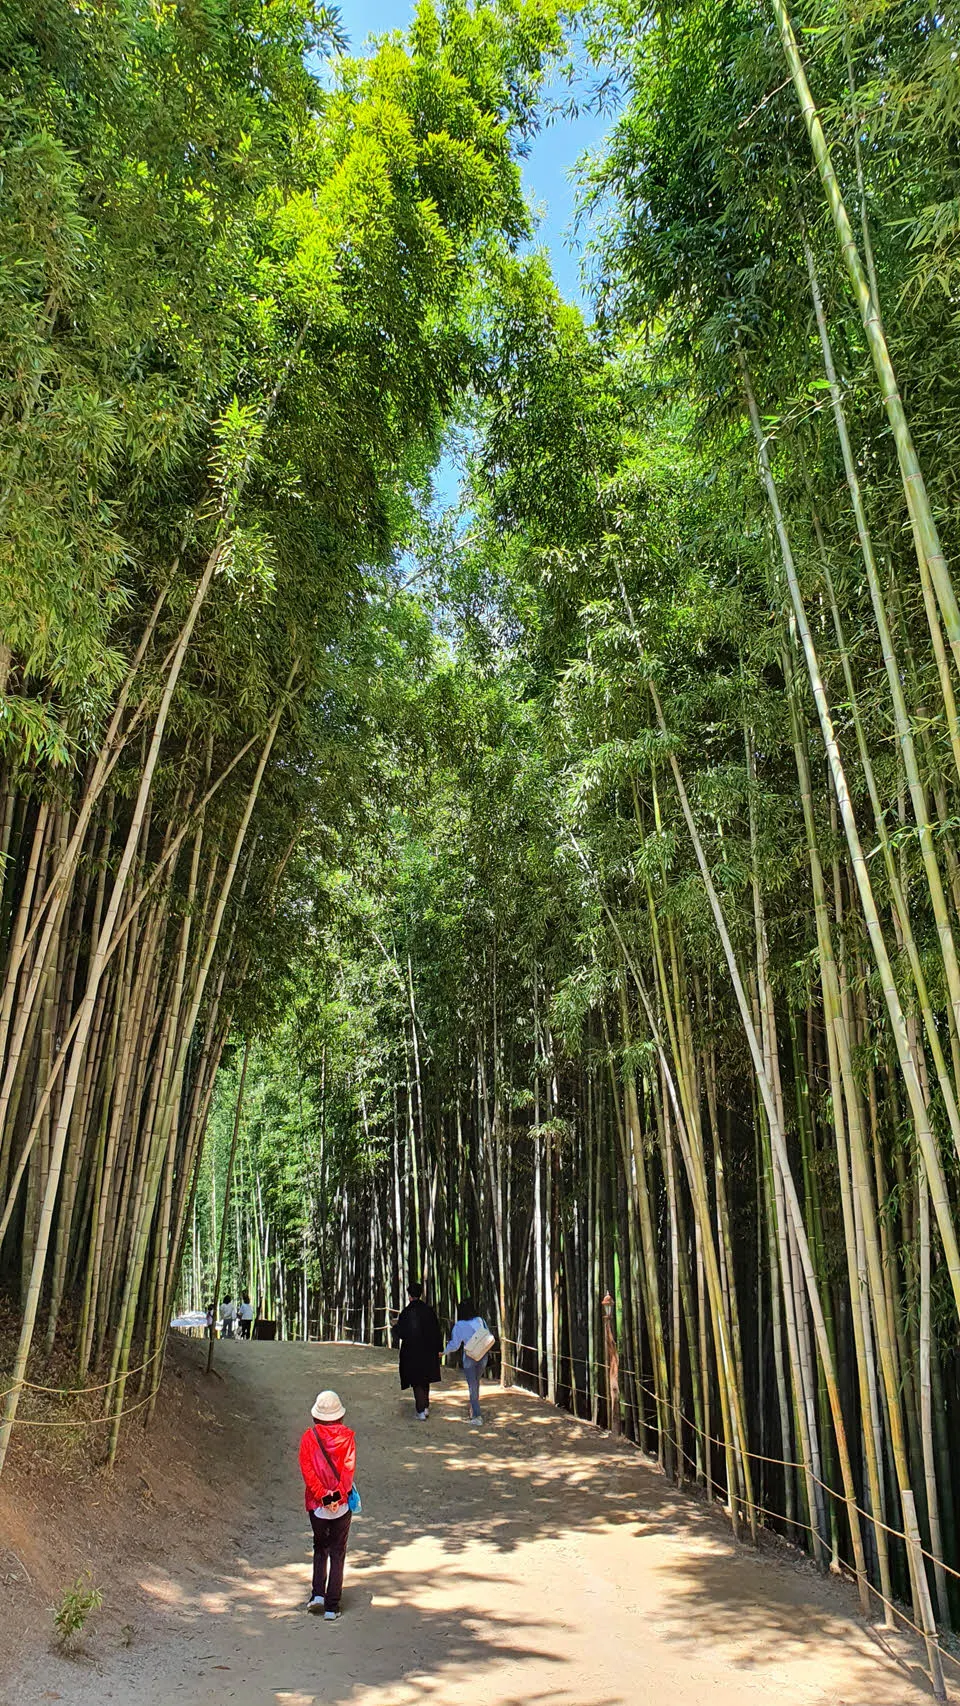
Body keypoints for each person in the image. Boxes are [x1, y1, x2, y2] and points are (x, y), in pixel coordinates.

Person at [299, 1390, 356, 1620]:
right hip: (341, 1506)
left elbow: (307, 1470)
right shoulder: (348, 1438)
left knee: (320, 1547)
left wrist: (323, 1496)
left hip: (317, 1504)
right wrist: (338, 1496)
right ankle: (332, 1606)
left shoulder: (308, 1438)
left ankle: (317, 1595)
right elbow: (348, 1470)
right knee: (338, 1551)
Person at [394, 1282, 443, 1420]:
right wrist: (439, 1348)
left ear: (410, 1296)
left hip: (412, 1352)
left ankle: (420, 1410)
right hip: (428, 1350)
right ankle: (425, 1407)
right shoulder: (429, 1310)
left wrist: (395, 1328)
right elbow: (436, 1331)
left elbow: (402, 1333)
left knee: (416, 1381)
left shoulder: (406, 1312)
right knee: (425, 1378)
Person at [444, 1297, 491, 1427]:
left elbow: (455, 1345)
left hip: (470, 1357)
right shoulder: (480, 1320)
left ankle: (477, 1415)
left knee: (472, 1385)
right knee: (475, 1382)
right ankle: (472, 1407)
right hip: (483, 1356)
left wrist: (443, 1352)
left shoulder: (459, 1325)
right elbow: (488, 1335)